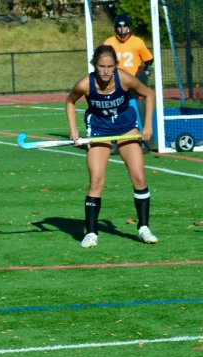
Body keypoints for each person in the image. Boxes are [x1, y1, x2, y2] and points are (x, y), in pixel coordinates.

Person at [65, 44, 157, 249]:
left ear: (115, 65)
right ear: (94, 65)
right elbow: (70, 102)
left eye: (109, 66)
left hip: (125, 126)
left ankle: (143, 228)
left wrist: (148, 125)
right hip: (99, 129)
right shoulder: (85, 84)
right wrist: (73, 130)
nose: (106, 71)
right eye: (101, 66)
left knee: (139, 177)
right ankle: (91, 233)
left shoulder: (123, 78)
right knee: (96, 180)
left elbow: (148, 94)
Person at [104, 13, 154, 151]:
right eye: (119, 29)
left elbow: (149, 60)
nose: (122, 31)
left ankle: (145, 140)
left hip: (133, 80)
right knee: (112, 109)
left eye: (124, 28)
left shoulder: (137, 42)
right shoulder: (109, 42)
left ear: (129, 28)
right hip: (115, 81)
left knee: (138, 107)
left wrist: (146, 71)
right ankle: (113, 139)